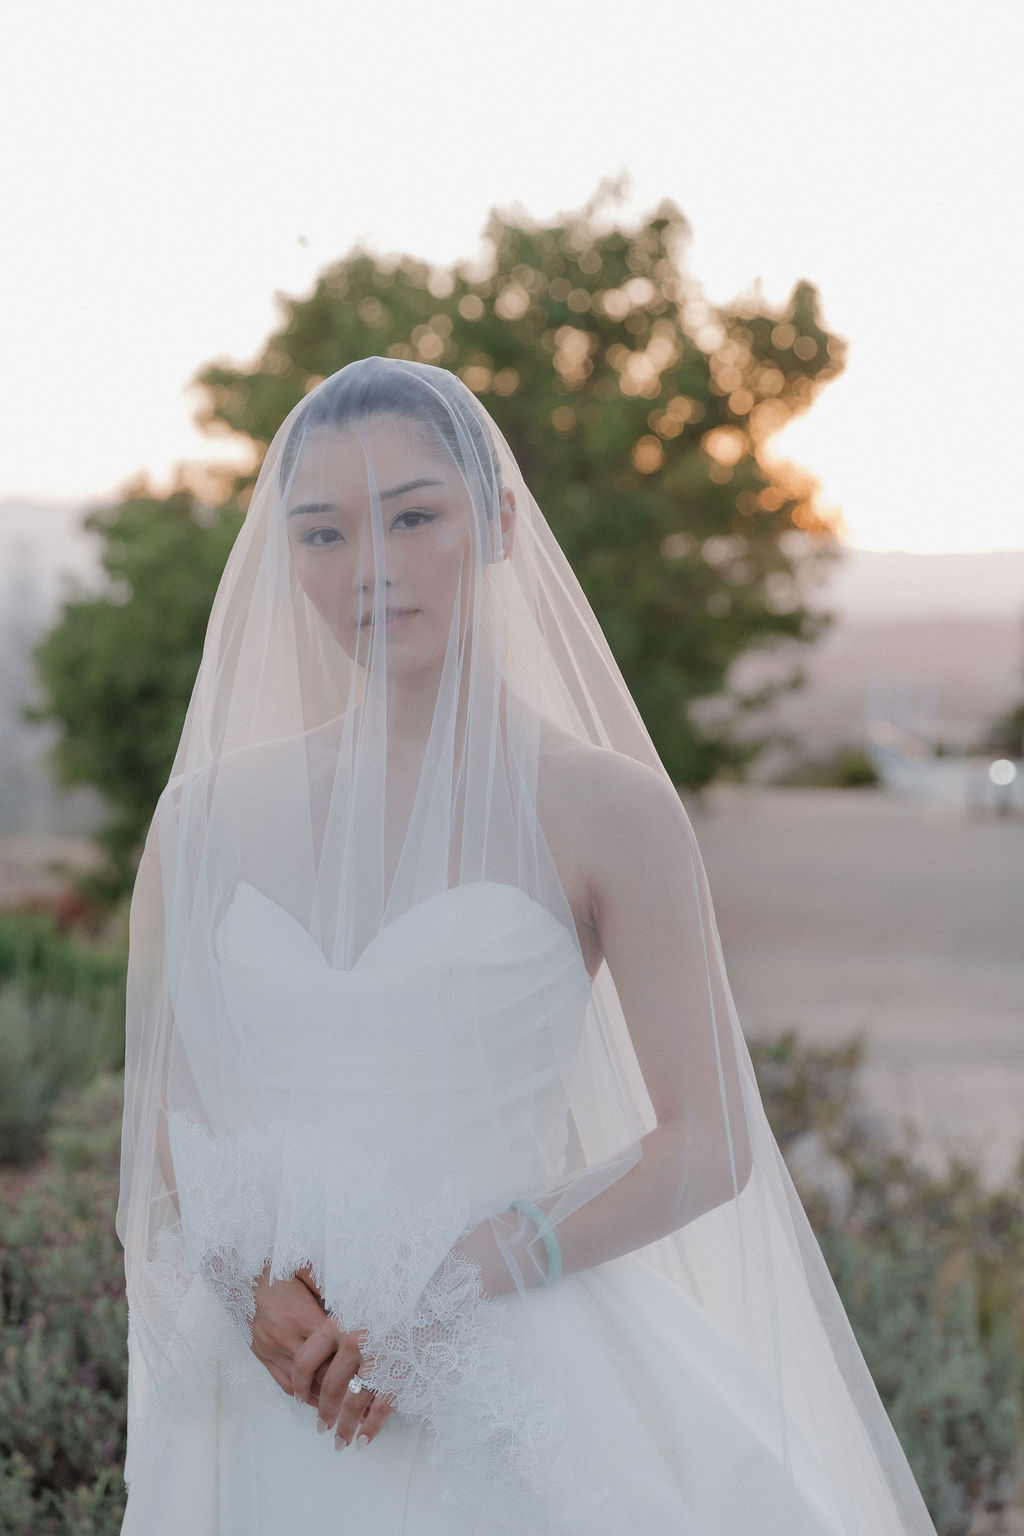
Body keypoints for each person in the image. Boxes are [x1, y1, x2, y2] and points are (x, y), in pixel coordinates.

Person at [117, 357, 937, 1534]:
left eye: (413, 516)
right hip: (270, 1402)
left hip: (507, 1365)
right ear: (280, 558)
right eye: (322, 534)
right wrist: (246, 1285)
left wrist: (452, 1287)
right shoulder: (201, 821)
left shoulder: (606, 810)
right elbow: (168, 1140)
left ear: (496, 521)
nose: (372, 568)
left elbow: (705, 1143)